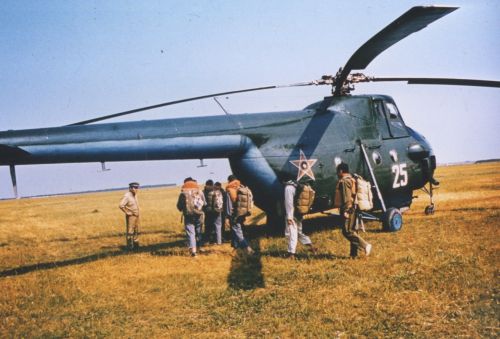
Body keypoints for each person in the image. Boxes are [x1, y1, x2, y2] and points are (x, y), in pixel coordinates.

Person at [335, 163, 372, 258]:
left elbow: (347, 197)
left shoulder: (344, 181)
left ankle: (365, 245)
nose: (337, 173)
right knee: (353, 230)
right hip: (355, 207)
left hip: (349, 208)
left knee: (347, 231)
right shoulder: (352, 179)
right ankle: (353, 254)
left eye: (337, 171)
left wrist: (346, 210)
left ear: (341, 171)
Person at [283, 178, 317, 259]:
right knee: (299, 232)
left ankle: (291, 254)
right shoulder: (299, 185)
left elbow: (289, 203)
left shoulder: (288, 187)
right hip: (299, 212)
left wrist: (289, 217)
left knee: (291, 233)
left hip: (293, 213)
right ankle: (312, 247)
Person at [177, 177, 206, 257]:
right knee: (198, 231)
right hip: (199, 214)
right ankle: (200, 247)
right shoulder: (199, 191)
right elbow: (205, 203)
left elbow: (179, 206)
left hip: (188, 215)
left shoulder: (183, 193)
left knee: (191, 233)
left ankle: (193, 251)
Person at [225, 174, 254, 255]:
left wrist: (227, 217)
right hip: (242, 213)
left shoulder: (229, 189)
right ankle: (235, 248)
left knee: (237, 231)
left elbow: (229, 205)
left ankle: (248, 248)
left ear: (229, 181)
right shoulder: (241, 187)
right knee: (237, 230)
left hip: (234, 214)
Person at [119, 182, 141, 250]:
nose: (137, 189)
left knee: (136, 230)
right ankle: (129, 247)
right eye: (135, 188)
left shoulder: (135, 195)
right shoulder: (127, 196)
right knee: (130, 231)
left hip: (137, 215)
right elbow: (121, 205)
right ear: (131, 188)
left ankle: (136, 246)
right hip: (131, 216)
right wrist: (127, 212)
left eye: (137, 188)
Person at [203, 180, 224, 245]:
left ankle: (207, 240)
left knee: (208, 226)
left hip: (208, 211)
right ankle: (218, 241)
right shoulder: (218, 191)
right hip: (218, 210)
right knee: (218, 226)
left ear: (206, 184)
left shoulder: (205, 192)